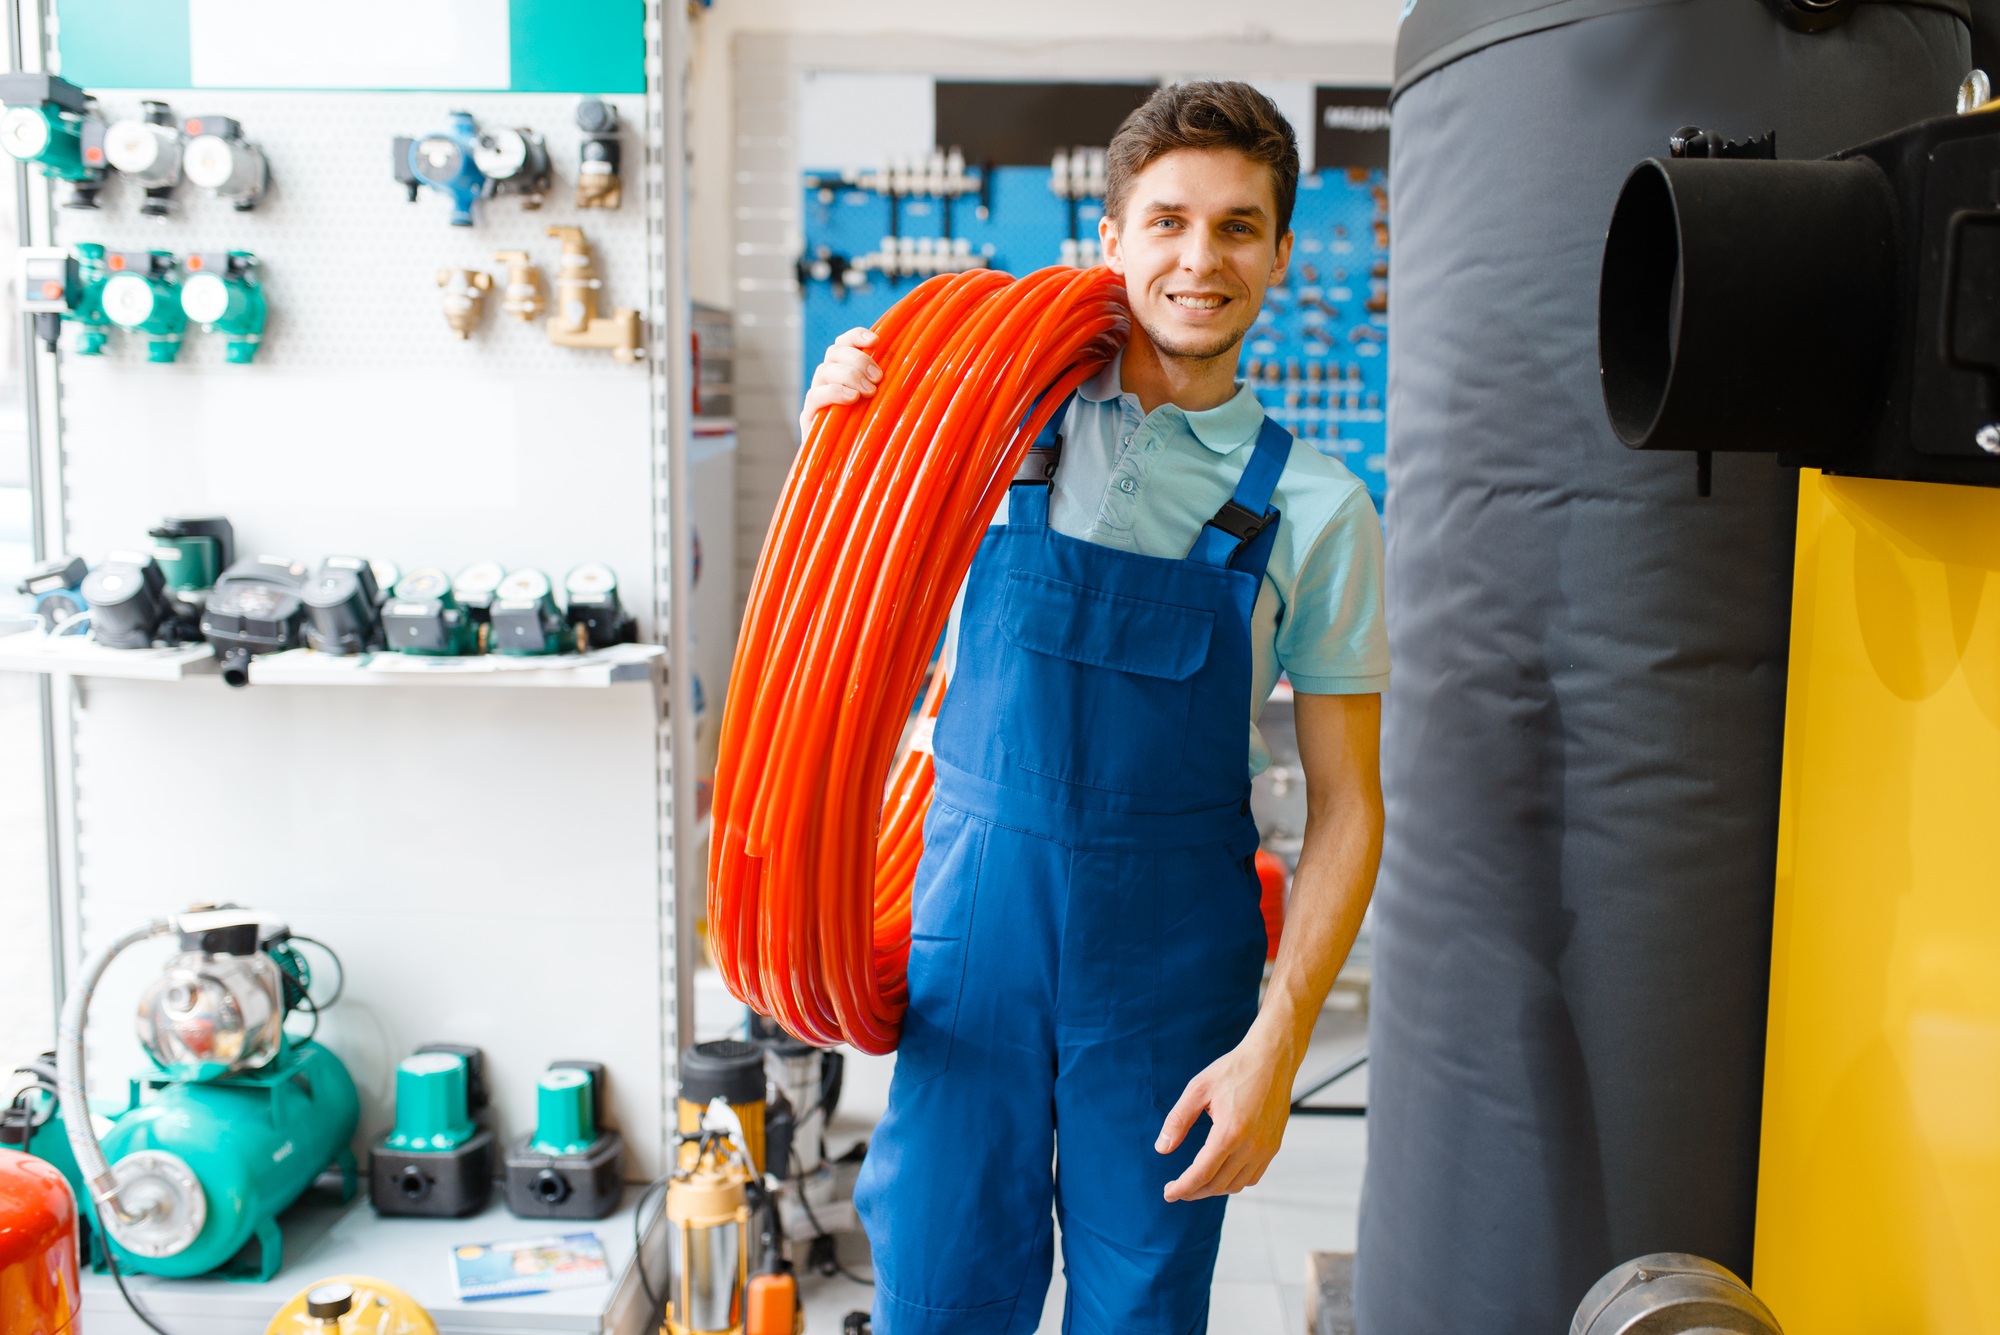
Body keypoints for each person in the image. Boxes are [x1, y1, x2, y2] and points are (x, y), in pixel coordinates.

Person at [800, 82, 1387, 1334]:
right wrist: (837, 434)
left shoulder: (1323, 509)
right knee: (939, 1288)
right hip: (976, 944)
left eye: (1238, 227)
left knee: (1141, 1305)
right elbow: (830, 603)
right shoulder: (972, 433)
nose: (1199, 258)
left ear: (1279, 252)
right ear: (1109, 237)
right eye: (1167, 220)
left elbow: (1346, 811)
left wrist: (1276, 1050)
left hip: (1174, 971)